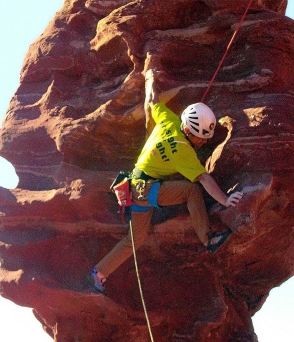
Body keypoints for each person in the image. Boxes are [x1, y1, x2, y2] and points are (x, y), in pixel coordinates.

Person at [90, 69, 243, 294]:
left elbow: (152, 100)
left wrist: (150, 77)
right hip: (145, 190)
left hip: (135, 188)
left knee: (137, 238)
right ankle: (208, 239)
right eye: (202, 137)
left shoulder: (168, 119)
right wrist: (225, 199)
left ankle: (99, 272)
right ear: (190, 131)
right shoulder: (183, 152)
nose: (202, 142)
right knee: (191, 191)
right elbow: (204, 178)